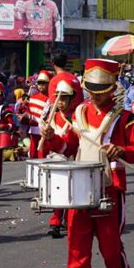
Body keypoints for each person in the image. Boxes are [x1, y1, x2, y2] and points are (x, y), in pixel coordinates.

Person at [43, 59, 134, 268]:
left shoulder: (125, 118)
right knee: (77, 252)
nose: (94, 96)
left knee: (110, 251)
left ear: (112, 89)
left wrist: (121, 150)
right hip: (80, 190)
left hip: (109, 189)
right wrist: (52, 139)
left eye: (100, 91)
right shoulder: (78, 114)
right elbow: (67, 147)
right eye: (90, 91)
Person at [41, 78, 80, 238]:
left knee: (70, 195)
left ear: (71, 99)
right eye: (58, 98)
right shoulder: (51, 117)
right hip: (54, 160)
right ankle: (56, 221)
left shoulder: (76, 118)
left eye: (64, 98)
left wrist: (52, 139)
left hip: (71, 159)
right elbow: (45, 146)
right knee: (57, 193)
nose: (61, 102)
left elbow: (68, 147)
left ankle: (63, 221)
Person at [48, 50, 83, 114]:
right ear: (66, 62)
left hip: (62, 120)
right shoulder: (75, 79)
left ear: (52, 64)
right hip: (77, 118)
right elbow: (81, 100)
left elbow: (54, 106)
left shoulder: (54, 81)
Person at [28, 70, 51, 158]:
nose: (41, 85)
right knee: (33, 154)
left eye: (44, 83)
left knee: (42, 154)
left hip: (43, 131)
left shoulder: (50, 99)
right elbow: (28, 111)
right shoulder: (32, 97)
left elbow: (45, 117)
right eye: (39, 83)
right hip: (32, 130)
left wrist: (29, 116)